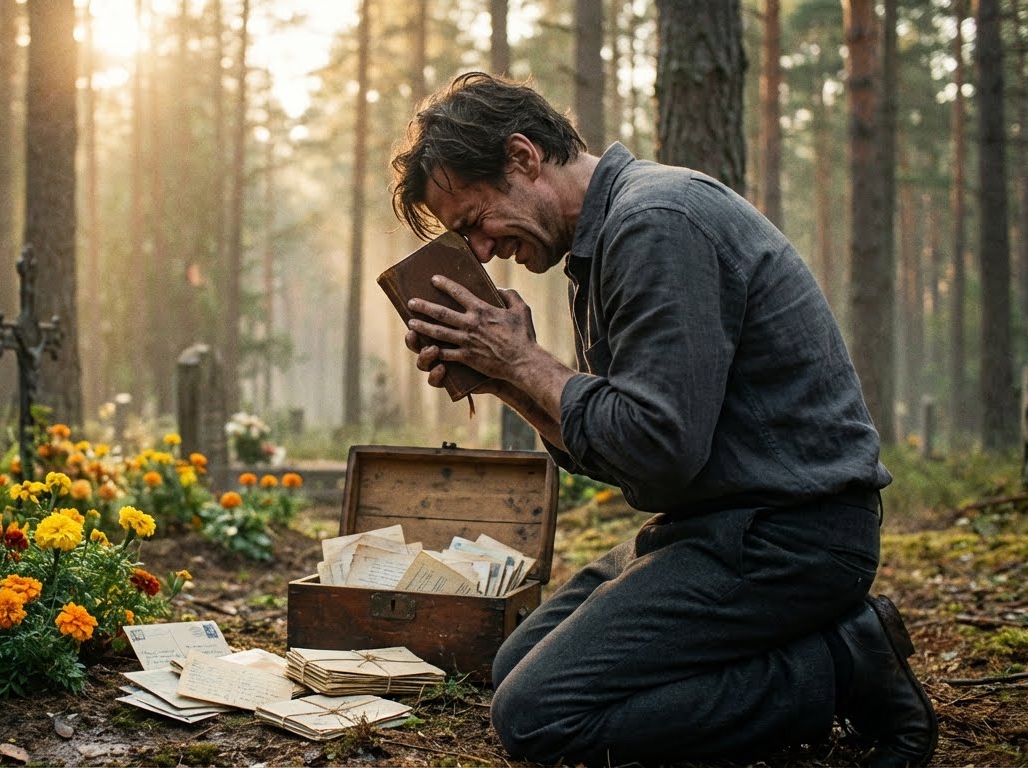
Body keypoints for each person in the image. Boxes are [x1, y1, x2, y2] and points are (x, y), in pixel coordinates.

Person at [388, 71, 937, 768]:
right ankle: (803, 651)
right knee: (516, 662)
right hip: (711, 528)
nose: (485, 252)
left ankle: (839, 664)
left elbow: (657, 449)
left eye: (475, 223)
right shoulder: (606, 243)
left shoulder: (655, 224)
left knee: (537, 716)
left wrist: (524, 362)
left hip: (790, 536)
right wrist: (505, 379)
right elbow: (615, 449)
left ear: (523, 158)